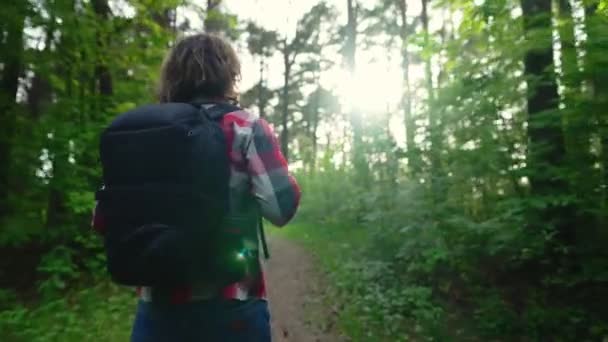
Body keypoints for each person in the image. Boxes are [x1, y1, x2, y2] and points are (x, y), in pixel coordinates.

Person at [91, 33, 301, 341]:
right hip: (232, 305)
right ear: (229, 74)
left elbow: (101, 221)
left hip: (158, 309)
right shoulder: (246, 126)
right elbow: (282, 209)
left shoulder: (145, 131)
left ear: (172, 76)